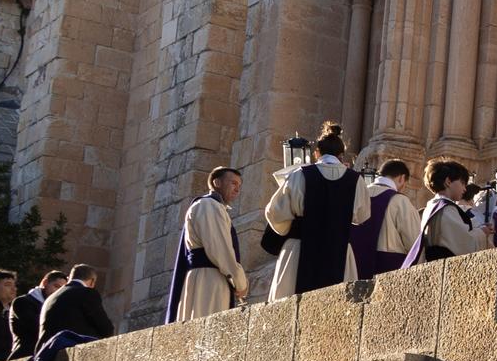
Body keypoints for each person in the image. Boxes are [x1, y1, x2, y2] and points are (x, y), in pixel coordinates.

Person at [263, 122, 371, 300]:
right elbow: (362, 216)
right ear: (341, 154)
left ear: (316, 153)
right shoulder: (356, 180)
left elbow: (275, 213)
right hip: (339, 249)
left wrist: (289, 226)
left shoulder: (299, 174)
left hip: (300, 248)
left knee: (290, 305)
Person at [166, 167, 249, 322]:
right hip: (208, 280)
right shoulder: (209, 206)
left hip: (209, 277)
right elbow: (220, 249)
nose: (237, 188)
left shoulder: (213, 207)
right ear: (217, 182)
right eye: (233, 183)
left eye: (239, 185)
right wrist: (240, 282)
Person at [403, 160, 486, 266]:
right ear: (448, 182)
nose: (465, 189)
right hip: (448, 266)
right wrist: (482, 232)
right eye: (462, 183)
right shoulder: (447, 209)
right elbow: (463, 243)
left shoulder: (431, 206)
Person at [350, 159, 417, 277]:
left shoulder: (358, 195)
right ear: (402, 178)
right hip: (389, 268)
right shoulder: (400, 201)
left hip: (356, 263)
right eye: (405, 184)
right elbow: (413, 241)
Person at [40, 265, 114, 341]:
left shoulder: (50, 298)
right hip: (68, 345)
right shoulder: (87, 293)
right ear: (92, 282)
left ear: (69, 278)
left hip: (47, 349)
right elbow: (106, 328)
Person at [11, 271, 65, 359]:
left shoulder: (56, 306)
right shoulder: (23, 302)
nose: (58, 292)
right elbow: (36, 326)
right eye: (56, 286)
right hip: (24, 356)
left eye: (61, 289)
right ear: (45, 283)